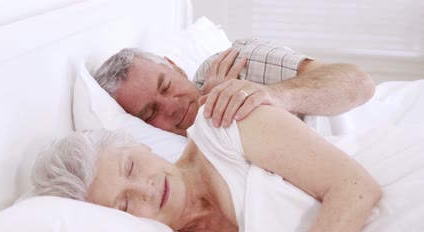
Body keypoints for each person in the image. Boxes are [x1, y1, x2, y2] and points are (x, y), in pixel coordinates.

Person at [31, 101, 424, 232]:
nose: (146, 189)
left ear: (140, 146)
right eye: (125, 204)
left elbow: (355, 188)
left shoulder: (224, 125)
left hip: (404, 182)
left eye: (132, 168)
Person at [94, 38, 375, 136]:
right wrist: (212, 117)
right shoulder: (169, 159)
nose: (172, 106)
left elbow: (359, 84)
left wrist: (267, 96)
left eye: (166, 85)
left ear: (175, 67)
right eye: (149, 112)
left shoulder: (236, 62)